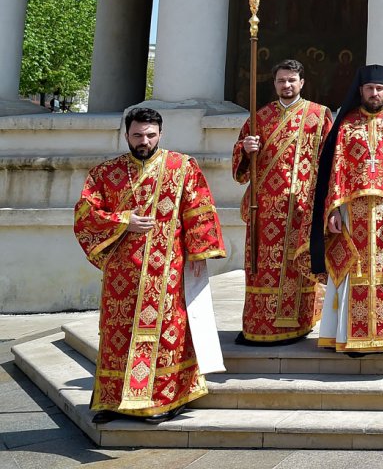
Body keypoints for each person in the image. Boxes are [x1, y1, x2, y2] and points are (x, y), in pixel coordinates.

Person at [74, 107, 226, 423]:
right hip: (122, 273)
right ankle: (111, 400)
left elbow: (199, 210)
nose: (144, 141)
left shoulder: (183, 167)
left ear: (160, 133)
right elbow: (85, 215)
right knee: (118, 335)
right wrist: (122, 221)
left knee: (168, 335)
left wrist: (200, 254)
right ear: (126, 134)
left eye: (150, 135)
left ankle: (165, 400)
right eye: (137, 135)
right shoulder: (106, 173)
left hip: (168, 269)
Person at [309, 64, 383, 354]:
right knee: (349, 270)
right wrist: (331, 210)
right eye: (369, 88)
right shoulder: (346, 126)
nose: (374, 93)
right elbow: (334, 171)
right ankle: (346, 334)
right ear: (360, 91)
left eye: (379, 88)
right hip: (349, 211)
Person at [230, 58, 333, 346]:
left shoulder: (318, 115)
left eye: (291, 80)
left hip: (301, 208)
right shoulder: (258, 117)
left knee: (296, 266)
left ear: (302, 82)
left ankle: (298, 322)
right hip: (262, 209)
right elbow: (240, 169)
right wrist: (245, 150)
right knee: (261, 269)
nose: (286, 85)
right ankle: (258, 324)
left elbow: (329, 162)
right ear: (274, 83)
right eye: (280, 80)